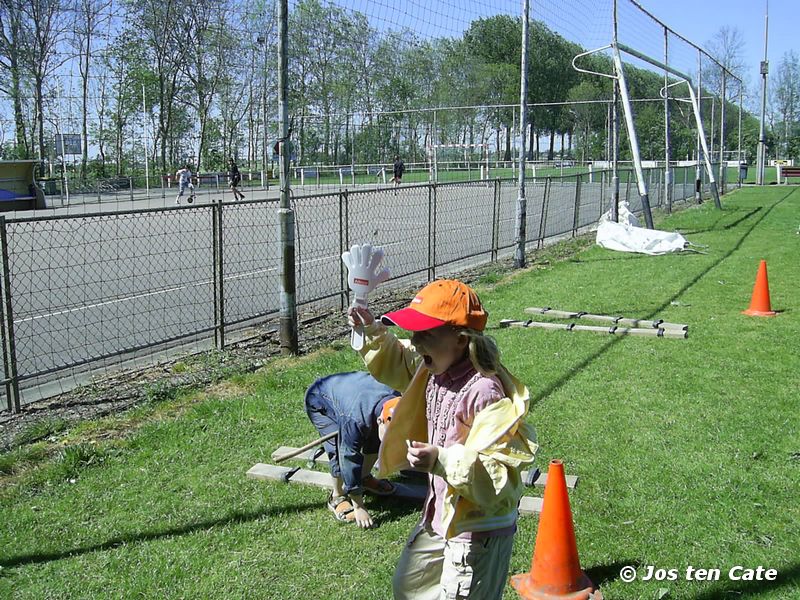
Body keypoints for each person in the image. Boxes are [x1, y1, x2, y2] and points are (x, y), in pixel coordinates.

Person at [348, 279, 538, 600]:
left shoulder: (485, 392)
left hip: (476, 529)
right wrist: (372, 331)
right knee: (410, 588)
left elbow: (496, 474)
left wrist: (440, 460)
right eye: (414, 333)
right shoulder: (436, 368)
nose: (416, 342)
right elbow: (401, 359)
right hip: (441, 516)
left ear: (461, 339)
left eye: (426, 334)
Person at [304, 371, 401, 529]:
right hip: (319, 399)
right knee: (337, 448)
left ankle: (363, 478)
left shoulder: (397, 401)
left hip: (352, 394)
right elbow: (348, 457)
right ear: (379, 421)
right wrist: (359, 507)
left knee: (375, 439)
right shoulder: (355, 419)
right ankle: (337, 496)